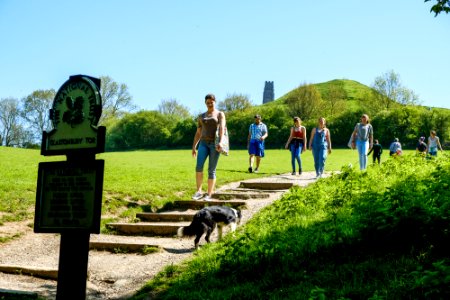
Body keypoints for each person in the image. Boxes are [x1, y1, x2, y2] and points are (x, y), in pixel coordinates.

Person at [191, 94, 226, 201]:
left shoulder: (220, 114)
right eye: (207, 103)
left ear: (215, 102)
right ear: (205, 103)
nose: (210, 104)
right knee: (199, 167)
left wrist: (220, 142)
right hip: (203, 144)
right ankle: (198, 191)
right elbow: (198, 132)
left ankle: (209, 194)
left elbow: (222, 129)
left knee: (212, 170)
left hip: (214, 144)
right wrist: (194, 147)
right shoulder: (201, 116)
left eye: (211, 102)